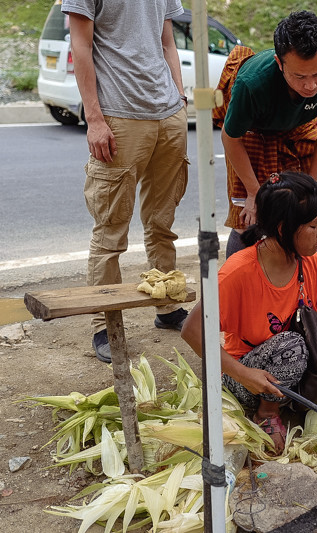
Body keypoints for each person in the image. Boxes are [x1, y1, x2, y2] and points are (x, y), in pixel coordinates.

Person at [181, 172, 317, 454]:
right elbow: (191, 330)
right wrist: (243, 374)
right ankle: (266, 413)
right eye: (313, 225)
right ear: (282, 228)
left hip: (294, 369)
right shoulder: (237, 273)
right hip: (250, 380)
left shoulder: (311, 262)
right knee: (292, 345)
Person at [63, 0, 190, 363]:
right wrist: (94, 119)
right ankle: (105, 323)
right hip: (119, 115)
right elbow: (81, 45)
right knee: (110, 230)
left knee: (162, 222)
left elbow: (167, 42)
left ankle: (167, 306)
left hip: (168, 114)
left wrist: (179, 96)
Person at [213, 10, 317, 259]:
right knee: (250, 218)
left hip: (301, 128)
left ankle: (311, 282)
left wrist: (311, 183)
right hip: (254, 133)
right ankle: (237, 282)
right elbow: (230, 138)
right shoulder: (252, 83)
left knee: (312, 210)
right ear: (279, 63)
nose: (311, 85)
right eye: (299, 76)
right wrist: (254, 192)